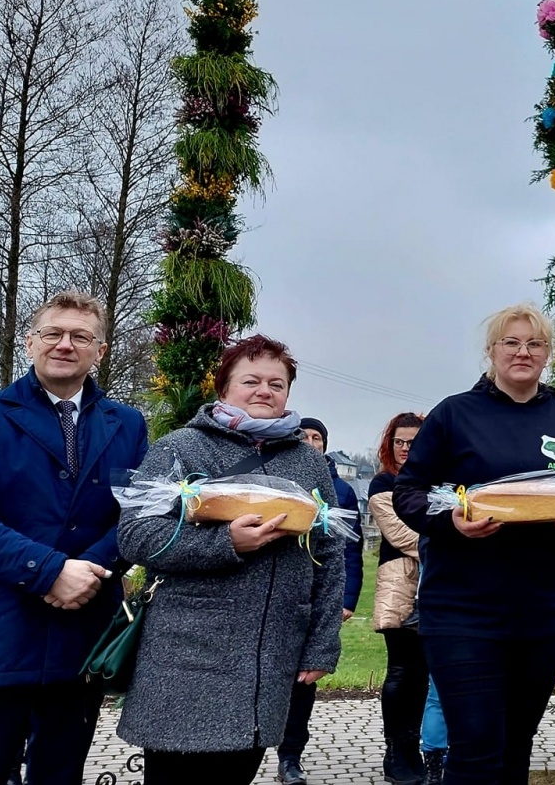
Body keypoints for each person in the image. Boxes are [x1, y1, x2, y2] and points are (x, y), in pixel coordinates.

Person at [0, 291, 149, 785]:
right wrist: (51, 571)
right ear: (30, 342)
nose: (65, 345)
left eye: (80, 336)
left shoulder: (129, 424)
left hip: (84, 630)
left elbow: (137, 514)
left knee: (59, 774)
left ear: (101, 350)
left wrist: (89, 570)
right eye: (53, 333)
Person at [391, 303, 555, 785]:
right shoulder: (454, 414)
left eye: (534, 343)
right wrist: (451, 520)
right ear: (491, 351)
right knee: (475, 749)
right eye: (510, 342)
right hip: (462, 609)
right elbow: (407, 494)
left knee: (516, 747)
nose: (522, 352)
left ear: (548, 354)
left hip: (541, 608)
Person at [116, 335, 345, 785]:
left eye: (277, 384)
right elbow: (135, 535)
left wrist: (322, 642)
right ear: (224, 389)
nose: (265, 390)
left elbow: (330, 552)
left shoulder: (309, 462)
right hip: (186, 656)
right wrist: (225, 544)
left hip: (269, 656)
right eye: (251, 380)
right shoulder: (180, 448)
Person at [275, 416, 364, 785]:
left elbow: (349, 548)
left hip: (312, 597)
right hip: (274, 594)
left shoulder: (340, 490)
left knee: (302, 681)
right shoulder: (277, 478)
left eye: (317, 437)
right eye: (303, 436)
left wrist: (346, 598)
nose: (310, 442)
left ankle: (290, 756)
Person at [368, 411, 430, 785]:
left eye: (414, 442)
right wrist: (451, 539)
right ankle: (397, 749)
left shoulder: (436, 480)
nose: (407, 448)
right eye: (400, 442)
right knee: (401, 670)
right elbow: (401, 536)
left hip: (437, 587)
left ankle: (415, 746)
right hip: (402, 586)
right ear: (390, 445)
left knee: (423, 675)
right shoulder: (382, 482)